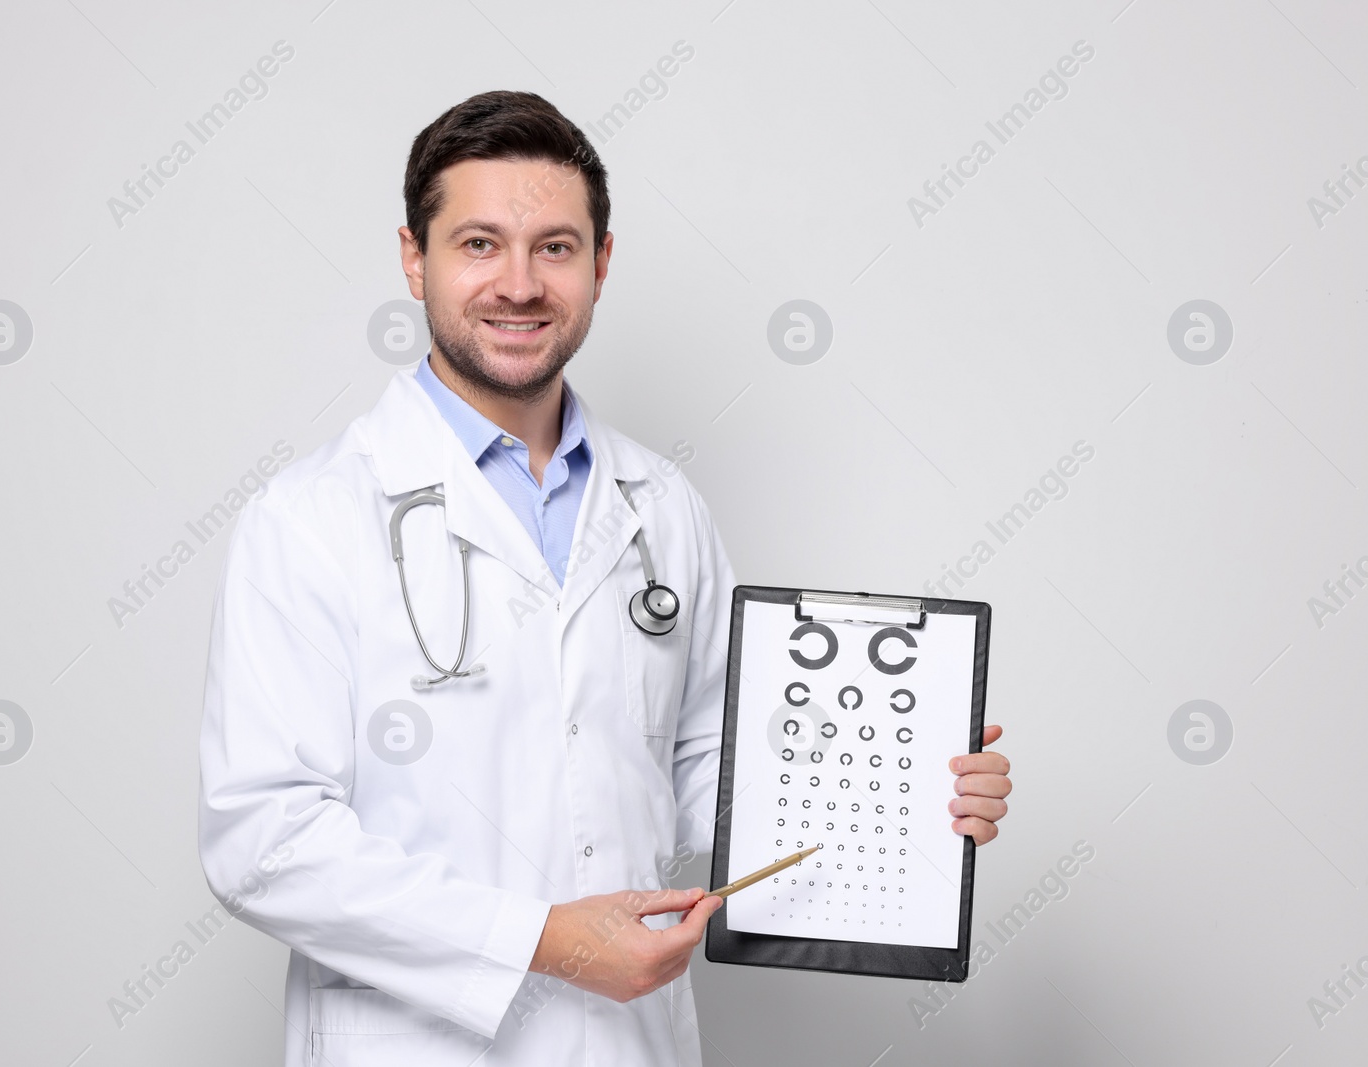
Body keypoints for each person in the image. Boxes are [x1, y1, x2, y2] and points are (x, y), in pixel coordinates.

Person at [196, 89, 1012, 1067]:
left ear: (599, 263)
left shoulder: (662, 507)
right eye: (478, 244)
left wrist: (904, 785)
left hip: (626, 1042)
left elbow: (714, 772)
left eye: (554, 246)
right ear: (414, 259)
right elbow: (263, 842)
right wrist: (544, 941)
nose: (519, 283)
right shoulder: (310, 517)